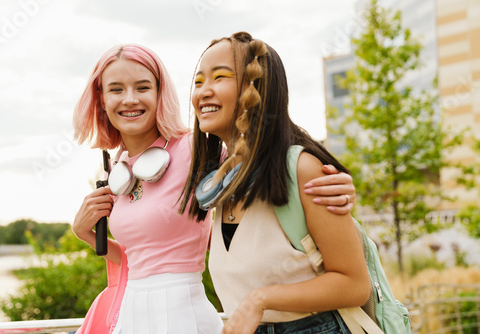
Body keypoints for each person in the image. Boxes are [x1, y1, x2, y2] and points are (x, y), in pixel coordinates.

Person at [72, 43, 356, 334]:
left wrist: (335, 180)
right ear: (101, 99)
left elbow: (258, 159)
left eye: (143, 87)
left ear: (160, 94)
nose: (129, 99)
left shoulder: (194, 150)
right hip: (133, 315)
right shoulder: (118, 169)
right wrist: (86, 234)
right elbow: (144, 257)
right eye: (116, 89)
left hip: (182, 315)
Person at [180, 32, 370, 334]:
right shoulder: (222, 183)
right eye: (199, 81)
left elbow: (355, 284)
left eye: (220, 77)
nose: (203, 91)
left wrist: (260, 299)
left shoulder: (302, 168)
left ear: (257, 87)